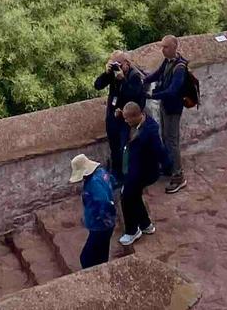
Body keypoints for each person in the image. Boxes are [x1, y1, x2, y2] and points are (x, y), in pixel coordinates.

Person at [147, 35, 192, 193]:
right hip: (166, 106)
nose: (163, 50)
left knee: (172, 141)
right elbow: (158, 74)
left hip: (173, 108)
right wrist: (144, 80)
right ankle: (169, 167)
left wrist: (153, 96)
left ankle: (179, 176)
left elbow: (173, 91)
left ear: (174, 47)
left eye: (166, 47)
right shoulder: (168, 61)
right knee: (165, 137)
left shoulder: (179, 67)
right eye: (162, 47)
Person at [117, 99, 165, 245]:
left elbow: (159, 150)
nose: (125, 121)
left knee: (126, 197)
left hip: (142, 171)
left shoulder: (150, 130)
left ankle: (132, 231)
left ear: (136, 116)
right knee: (134, 196)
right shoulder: (132, 124)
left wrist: (169, 166)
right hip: (132, 169)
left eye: (126, 118)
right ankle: (146, 224)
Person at [94, 53, 148, 176]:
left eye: (119, 64)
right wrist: (106, 73)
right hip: (113, 116)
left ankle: (127, 174)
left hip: (126, 119)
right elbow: (97, 85)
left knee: (124, 147)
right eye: (114, 65)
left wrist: (122, 79)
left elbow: (134, 96)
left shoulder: (134, 76)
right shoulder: (113, 73)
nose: (117, 67)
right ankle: (117, 173)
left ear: (127, 63)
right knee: (114, 147)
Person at [71, 152, 117, 269]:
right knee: (101, 255)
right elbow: (113, 182)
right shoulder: (102, 173)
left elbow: (103, 201)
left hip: (100, 225)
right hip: (109, 222)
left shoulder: (93, 183)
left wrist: (98, 216)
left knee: (86, 258)